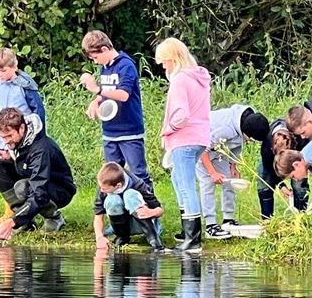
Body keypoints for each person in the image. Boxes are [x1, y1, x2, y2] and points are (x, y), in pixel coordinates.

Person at [0, 48, 46, 218]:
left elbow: (39, 114)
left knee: (9, 169)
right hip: (0, 138)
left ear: (15, 66)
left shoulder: (26, 87)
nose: (0, 74)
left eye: (3, 70)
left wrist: (36, 140)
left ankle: (11, 207)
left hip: (20, 139)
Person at [0, 107, 76, 241]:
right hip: (31, 180)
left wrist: (13, 220)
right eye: (3, 137)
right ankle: (25, 221)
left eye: (9, 136)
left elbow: (39, 192)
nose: (6, 141)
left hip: (59, 190)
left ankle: (54, 218)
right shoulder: (18, 140)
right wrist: (9, 158)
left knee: (22, 187)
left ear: (22, 128)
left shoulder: (41, 149)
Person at [155, 37, 211, 252]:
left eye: (164, 62)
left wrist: (168, 129)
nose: (163, 66)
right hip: (200, 137)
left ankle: (193, 239)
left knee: (186, 186)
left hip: (184, 138)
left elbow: (181, 115)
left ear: (173, 58)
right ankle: (186, 232)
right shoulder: (198, 78)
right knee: (178, 179)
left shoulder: (179, 79)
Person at [79, 31, 152, 187]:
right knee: (111, 175)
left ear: (105, 49)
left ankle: (149, 201)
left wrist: (97, 90)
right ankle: (116, 202)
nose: (96, 62)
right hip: (110, 131)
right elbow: (108, 92)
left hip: (129, 131)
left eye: (95, 57)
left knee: (138, 173)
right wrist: (96, 101)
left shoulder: (126, 65)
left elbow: (123, 95)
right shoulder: (105, 67)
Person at [196, 104, 263, 240]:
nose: (250, 142)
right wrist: (212, 172)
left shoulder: (251, 121)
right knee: (208, 184)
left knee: (229, 182)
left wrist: (233, 166)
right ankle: (210, 225)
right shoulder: (226, 128)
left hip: (219, 150)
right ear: (246, 133)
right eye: (251, 139)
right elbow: (203, 148)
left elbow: (237, 146)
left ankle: (228, 220)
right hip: (200, 148)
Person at [93, 161, 165, 252]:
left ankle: (154, 241)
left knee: (129, 195)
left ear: (118, 185)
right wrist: (99, 237)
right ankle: (122, 237)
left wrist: (151, 212)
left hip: (141, 223)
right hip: (121, 224)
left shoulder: (138, 184)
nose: (102, 191)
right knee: (112, 200)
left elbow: (160, 210)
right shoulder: (104, 186)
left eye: (105, 189)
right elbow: (98, 215)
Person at [258, 118, 309, 218]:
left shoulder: (299, 135)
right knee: (264, 185)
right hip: (269, 163)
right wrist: (282, 186)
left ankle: (301, 217)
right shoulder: (266, 149)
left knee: (299, 184)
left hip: (298, 157)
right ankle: (267, 220)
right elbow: (270, 169)